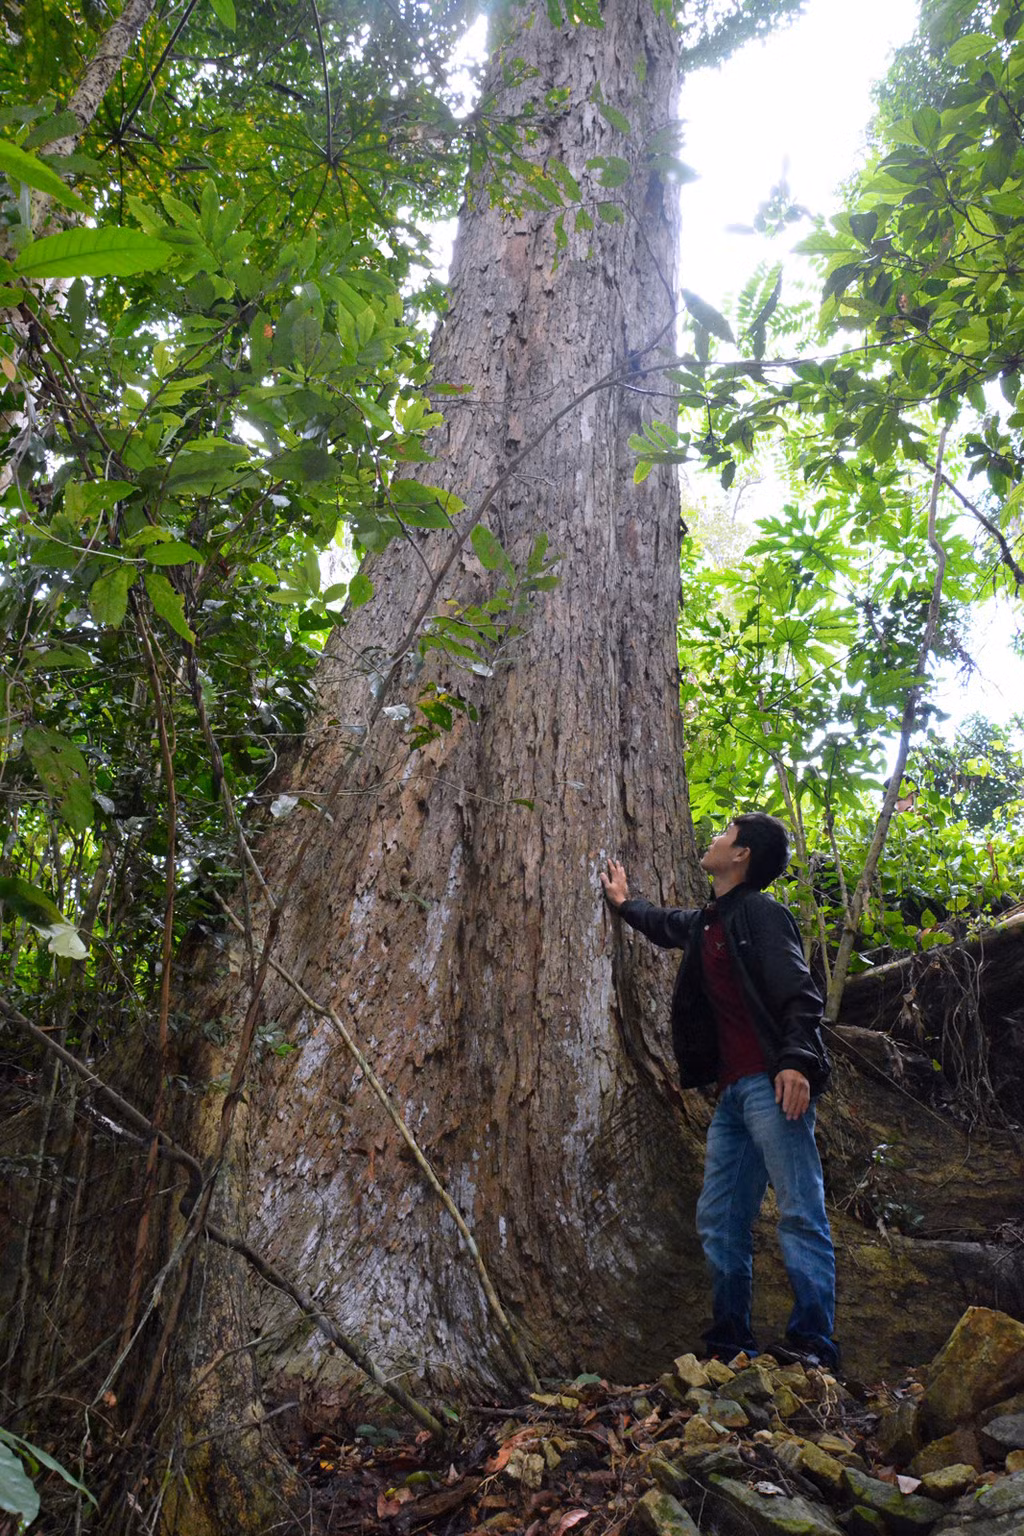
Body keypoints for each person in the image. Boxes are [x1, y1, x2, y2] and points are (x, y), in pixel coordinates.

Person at [600, 812, 839, 1371]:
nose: (714, 837)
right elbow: (667, 924)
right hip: (733, 1096)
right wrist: (623, 903)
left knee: (800, 1210)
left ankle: (814, 1345)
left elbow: (801, 993)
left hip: (772, 1085)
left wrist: (797, 1062)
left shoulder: (761, 911)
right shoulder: (713, 920)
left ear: (743, 856)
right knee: (721, 1219)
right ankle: (731, 1340)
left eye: (726, 833)